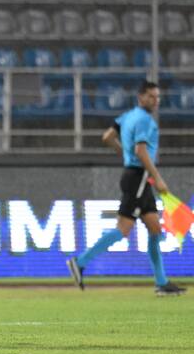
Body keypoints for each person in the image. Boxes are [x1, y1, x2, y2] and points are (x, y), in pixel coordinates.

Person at [67, 81, 187, 296]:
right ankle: (80, 262)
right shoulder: (144, 120)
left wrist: (124, 154)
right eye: (151, 96)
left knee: (154, 228)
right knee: (123, 229)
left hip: (134, 175)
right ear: (140, 97)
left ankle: (162, 282)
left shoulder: (127, 117)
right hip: (139, 177)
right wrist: (157, 177)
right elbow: (141, 151)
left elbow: (107, 137)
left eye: (157, 97)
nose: (155, 101)